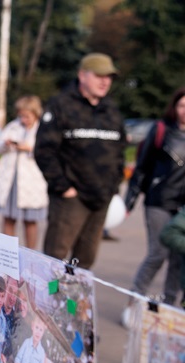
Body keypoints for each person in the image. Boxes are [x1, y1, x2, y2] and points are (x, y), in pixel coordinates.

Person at [34, 53, 126, 269]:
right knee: (55, 259)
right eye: (99, 75)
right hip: (71, 198)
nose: (105, 81)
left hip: (101, 198)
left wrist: (113, 185)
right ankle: (48, 302)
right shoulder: (61, 105)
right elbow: (44, 151)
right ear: (82, 75)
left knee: (85, 263)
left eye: (109, 77)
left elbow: (120, 151)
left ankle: (73, 304)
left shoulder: (111, 110)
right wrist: (63, 187)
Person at [122, 87, 185, 324]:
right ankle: (134, 298)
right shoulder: (161, 131)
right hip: (158, 201)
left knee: (179, 257)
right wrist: (130, 199)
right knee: (158, 253)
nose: (184, 111)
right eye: (181, 105)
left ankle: (170, 307)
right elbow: (142, 167)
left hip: (182, 207)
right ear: (174, 107)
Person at [0, 96, 48, 249]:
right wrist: (6, 143)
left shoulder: (42, 129)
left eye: (27, 116)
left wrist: (29, 148)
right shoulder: (13, 126)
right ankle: (7, 253)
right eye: (21, 116)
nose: (24, 119)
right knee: (9, 218)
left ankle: (31, 253)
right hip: (10, 179)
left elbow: (47, 150)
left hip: (31, 181)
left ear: (36, 114)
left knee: (30, 220)